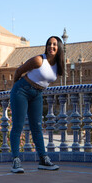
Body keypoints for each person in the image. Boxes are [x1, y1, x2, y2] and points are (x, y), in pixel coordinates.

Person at [10, 36, 64, 173]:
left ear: (59, 48)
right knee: (18, 126)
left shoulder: (58, 65)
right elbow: (18, 71)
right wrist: (15, 90)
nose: (51, 46)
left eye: (54, 44)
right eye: (49, 44)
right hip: (22, 91)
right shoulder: (39, 60)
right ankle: (16, 160)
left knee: (37, 127)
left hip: (38, 95)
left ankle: (43, 159)